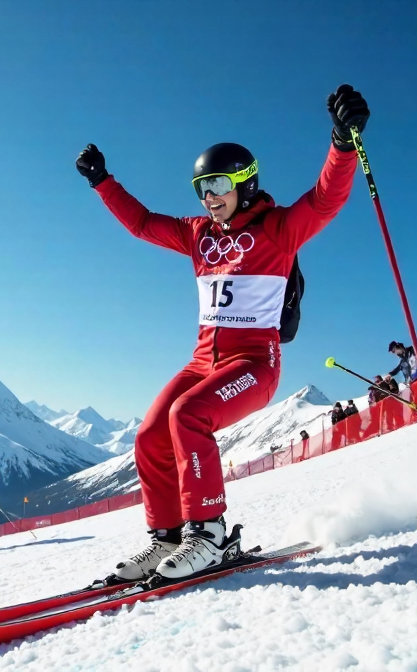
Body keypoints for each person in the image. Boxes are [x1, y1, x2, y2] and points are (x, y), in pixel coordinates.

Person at [76, 84, 368, 580]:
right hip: (201, 361)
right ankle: (166, 538)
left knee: (188, 416)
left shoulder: (278, 229)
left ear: (246, 183)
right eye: (201, 189)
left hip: (254, 364)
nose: (208, 197)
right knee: (149, 435)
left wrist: (342, 143)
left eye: (217, 185)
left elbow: (323, 202)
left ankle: (208, 535)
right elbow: (144, 223)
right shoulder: (198, 235)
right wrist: (103, 182)